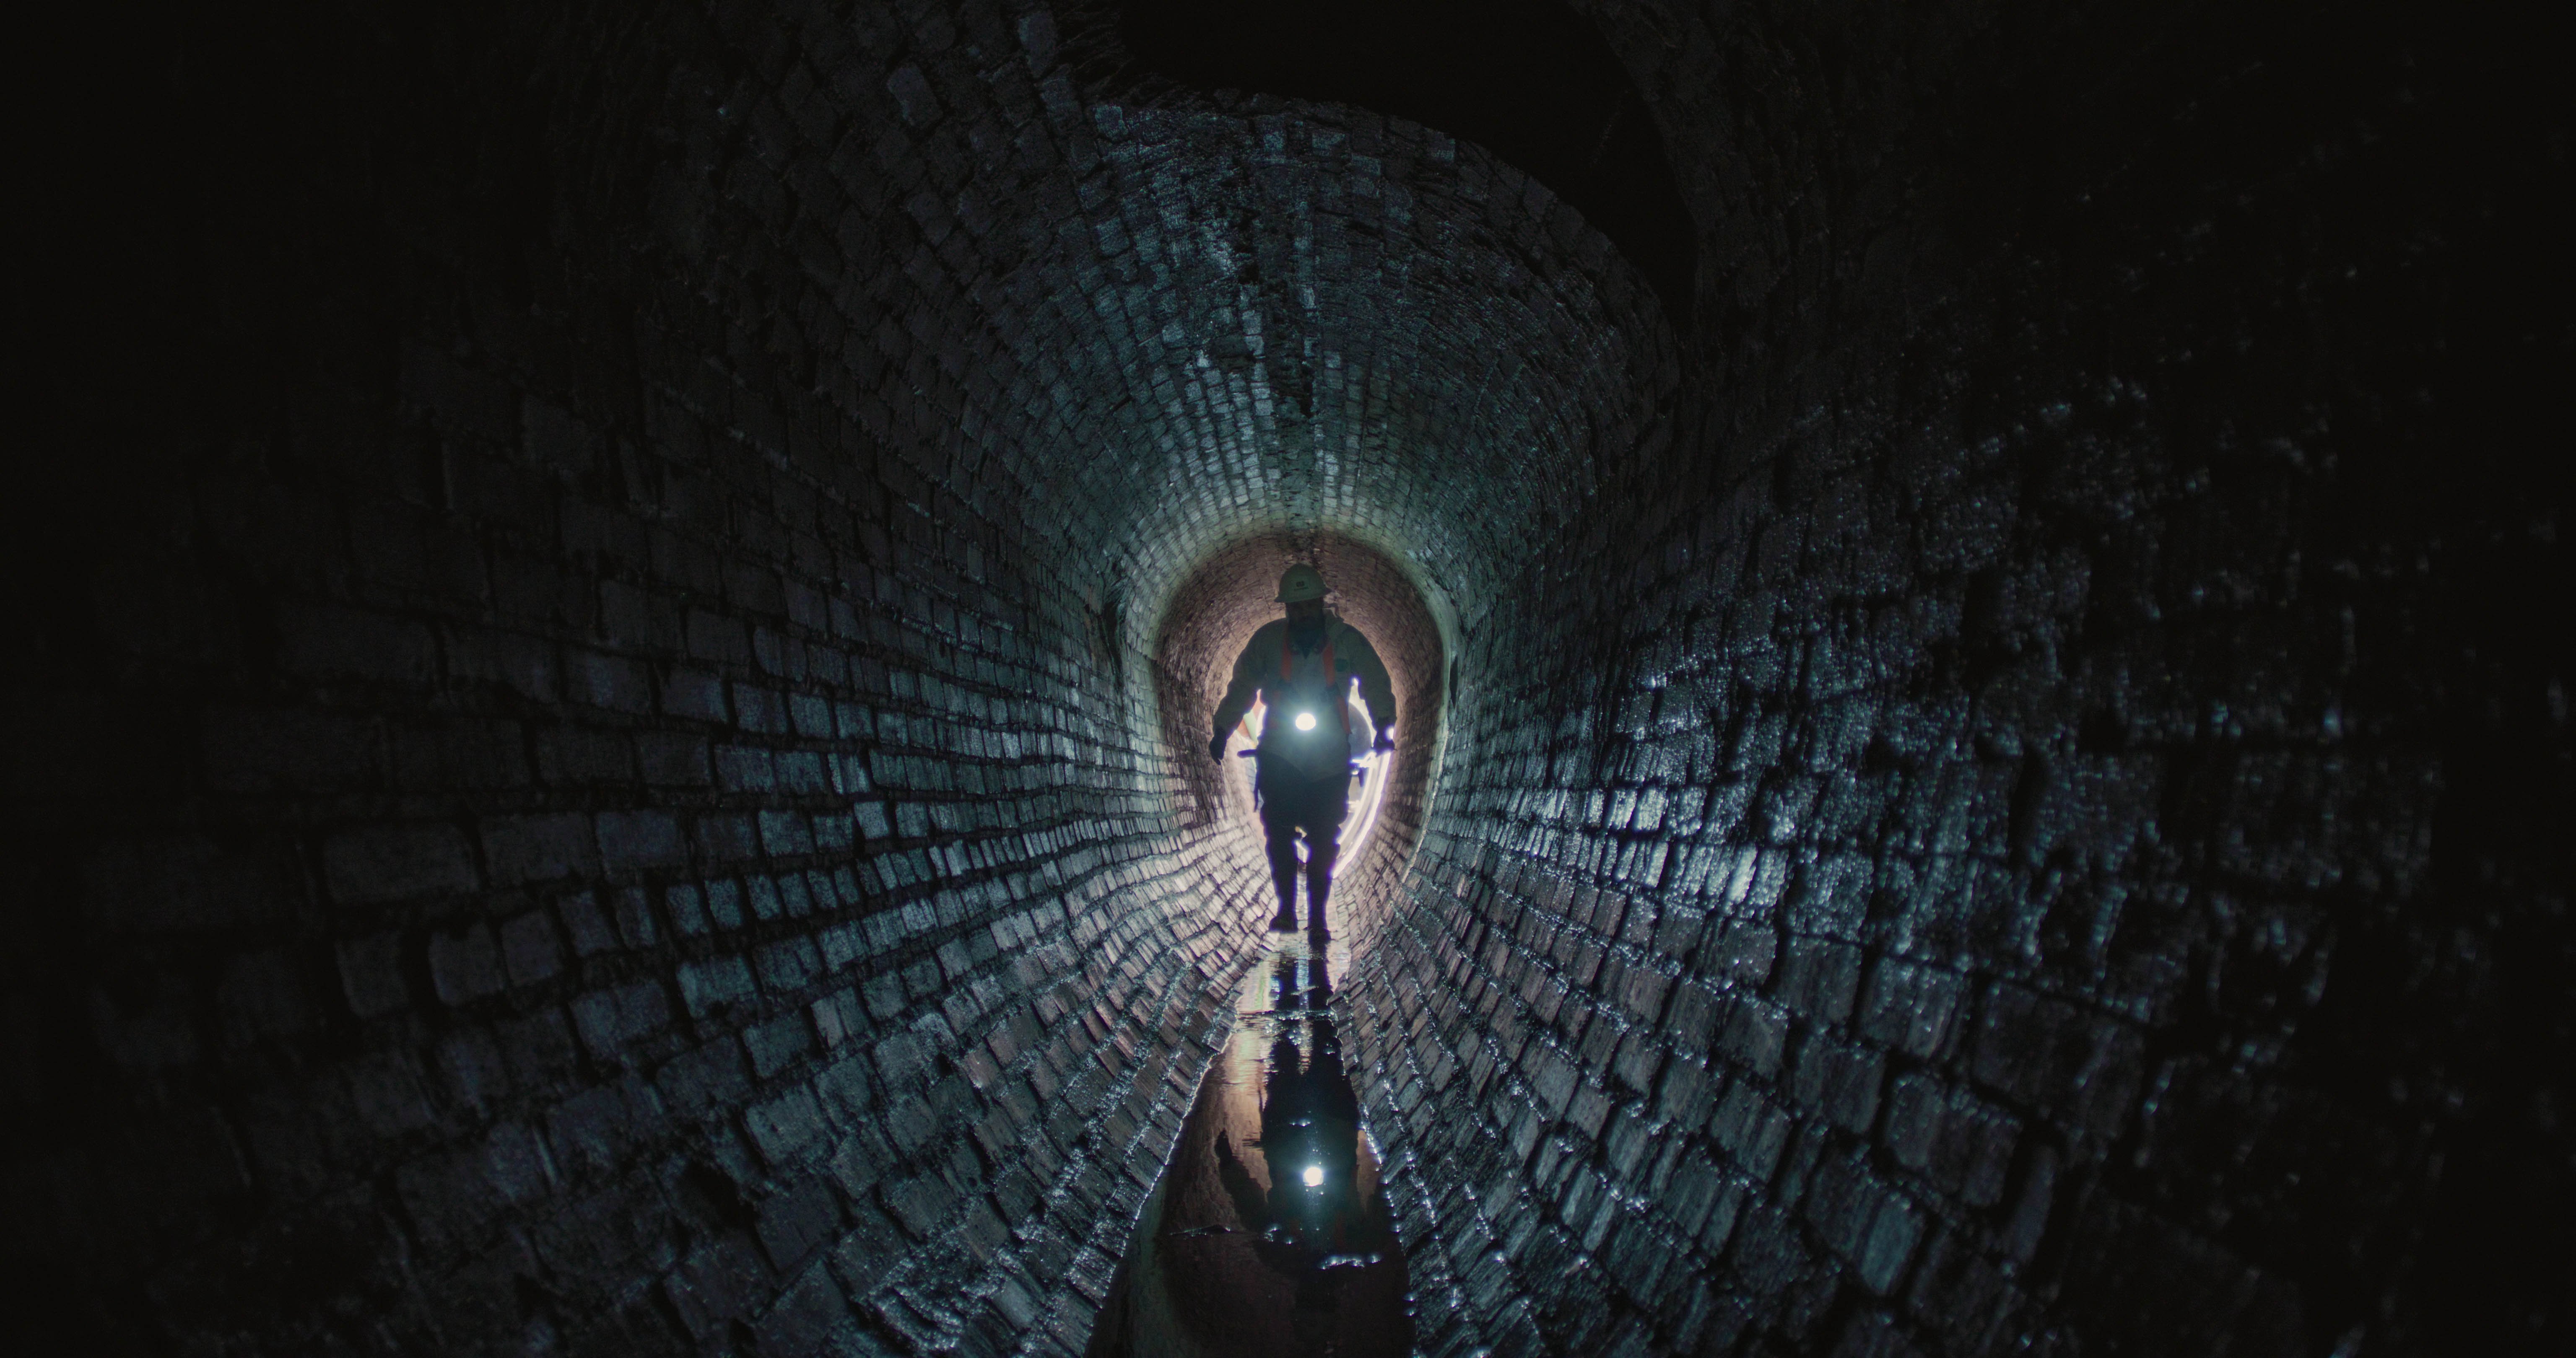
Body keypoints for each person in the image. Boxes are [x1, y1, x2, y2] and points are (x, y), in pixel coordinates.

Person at [1208, 564, 1396, 936]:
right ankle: (1286, 911)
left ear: (1321, 603)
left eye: (1309, 606)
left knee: (1324, 836)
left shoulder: (1347, 640)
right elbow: (1242, 686)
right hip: (1281, 753)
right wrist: (1223, 729)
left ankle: (1319, 918)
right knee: (1277, 830)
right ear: (1287, 609)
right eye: (1296, 608)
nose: (1303, 614)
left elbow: (1375, 681)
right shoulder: (1267, 642)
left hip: (1330, 756)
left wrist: (1384, 726)